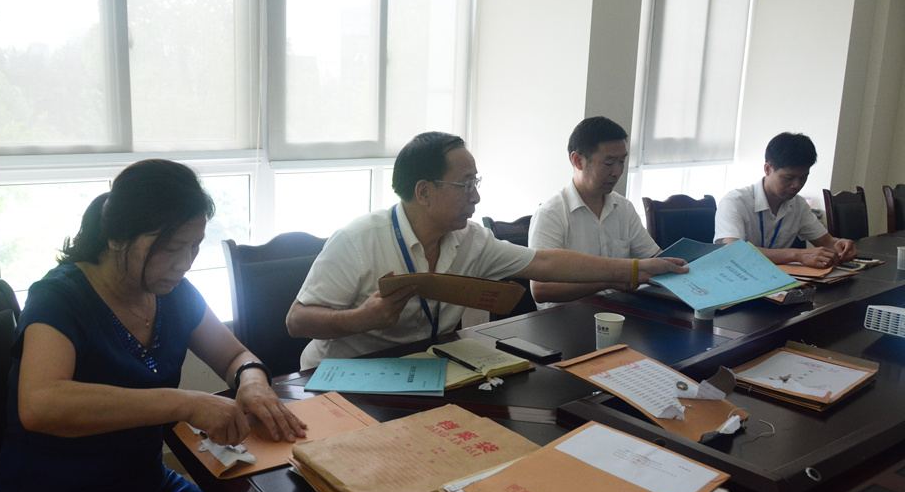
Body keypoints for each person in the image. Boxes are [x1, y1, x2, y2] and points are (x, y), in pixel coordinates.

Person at [0, 159, 306, 492]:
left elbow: (235, 355)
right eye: (171, 248)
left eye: (194, 247)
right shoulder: (60, 298)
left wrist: (251, 381)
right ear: (118, 236)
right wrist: (184, 403)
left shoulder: (172, 293)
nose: (184, 263)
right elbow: (40, 404)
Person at [286, 131, 687, 369]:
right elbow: (297, 321)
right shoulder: (359, 240)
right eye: (465, 185)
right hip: (345, 375)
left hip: (424, 367)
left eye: (476, 182)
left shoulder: (471, 240)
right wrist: (360, 319)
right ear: (424, 192)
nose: (476, 197)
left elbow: (545, 262)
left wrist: (633, 269)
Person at [528, 116, 660, 306]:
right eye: (609, 163)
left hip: (618, 311)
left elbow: (653, 257)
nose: (617, 171)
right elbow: (541, 289)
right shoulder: (551, 214)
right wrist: (609, 279)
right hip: (565, 318)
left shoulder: (624, 208)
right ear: (578, 161)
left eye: (622, 161)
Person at [714, 132, 857, 267]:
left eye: (803, 178)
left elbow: (826, 241)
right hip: (737, 277)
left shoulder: (798, 205)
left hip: (780, 278)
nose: (797, 185)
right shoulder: (735, 202)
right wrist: (796, 255)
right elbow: (733, 250)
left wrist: (841, 246)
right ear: (768, 169)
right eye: (789, 178)